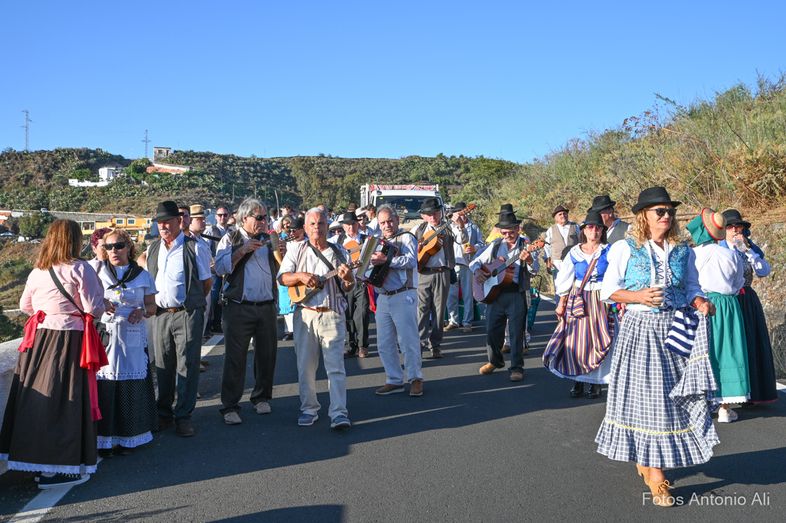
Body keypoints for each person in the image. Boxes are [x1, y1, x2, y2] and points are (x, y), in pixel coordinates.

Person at [595, 187, 718, 507]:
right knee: (648, 399)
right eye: (659, 211)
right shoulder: (626, 248)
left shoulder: (683, 251)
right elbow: (608, 291)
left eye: (669, 211)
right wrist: (637, 296)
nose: (666, 216)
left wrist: (700, 300)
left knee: (673, 399)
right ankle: (655, 473)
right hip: (641, 330)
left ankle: (650, 459)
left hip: (677, 330)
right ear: (643, 217)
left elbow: (692, 286)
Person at [1, 219, 105, 489]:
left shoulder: (38, 271)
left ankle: (36, 463)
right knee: (66, 400)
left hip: (39, 341)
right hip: (69, 340)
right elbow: (94, 308)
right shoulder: (80, 269)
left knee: (38, 402)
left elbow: (26, 305)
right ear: (74, 240)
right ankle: (62, 466)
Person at [278, 208, 355, 430]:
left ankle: (339, 413)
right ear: (305, 227)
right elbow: (282, 277)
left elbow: (349, 287)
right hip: (305, 313)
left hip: (332, 313)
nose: (316, 228)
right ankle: (308, 408)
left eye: (321, 223)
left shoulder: (340, 252)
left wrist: (349, 277)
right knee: (305, 366)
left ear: (327, 226)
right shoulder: (296, 249)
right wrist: (300, 276)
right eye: (312, 224)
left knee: (336, 367)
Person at [145, 201, 212, 437]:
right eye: (159, 222)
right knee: (163, 365)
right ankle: (164, 414)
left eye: (167, 221)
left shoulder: (194, 247)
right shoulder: (154, 249)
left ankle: (183, 416)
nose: (162, 226)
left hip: (186, 313)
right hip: (161, 315)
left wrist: (191, 304)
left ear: (178, 221)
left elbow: (206, 283)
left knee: (188, 364)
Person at [215, 198, 281, 425]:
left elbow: (282, 268)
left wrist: (279, 251)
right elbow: (220, 268)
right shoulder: (230, 238)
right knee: (235, 358)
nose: (264, 222)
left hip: (266, 306)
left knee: (267, 355)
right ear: (245, 218)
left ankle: (261, 397)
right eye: (259, 218)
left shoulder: (269, 238)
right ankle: (230, 405)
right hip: (238, 307)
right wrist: (242, 250)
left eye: (266, 218)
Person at [94, 228, 158, 455]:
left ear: (129, 247)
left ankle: (130, 437)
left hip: (132, 336)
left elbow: (152, 306)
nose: (113, 251)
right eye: (108, 247)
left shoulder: (142, 275)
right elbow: (86, 299)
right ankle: (105, 440)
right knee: (105, 386)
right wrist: (102, 302)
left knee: (130, 386)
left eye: (118, 246)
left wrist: (141, 311)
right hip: (106, 336)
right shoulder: (98, 271)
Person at [543, 211, 613, 399]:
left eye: (598, 228)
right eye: (590, 227)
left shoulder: (609, 251)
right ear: (584, 230)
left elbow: (617, 276)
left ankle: (596, 383)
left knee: (598, 340)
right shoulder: (574, 252)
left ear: (602, 231)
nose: (594, 231)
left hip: (601, 300)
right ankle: (578, 380)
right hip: (579, 300)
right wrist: (561, 305)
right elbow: (565, 280)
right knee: (577, 342)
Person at [688, 209, 748, 423]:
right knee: (728, 350)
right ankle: (725, 407)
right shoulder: (731, 254)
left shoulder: (693, 254)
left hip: (700, 303)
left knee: (701, 351)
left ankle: (700, 402)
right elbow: (739, 281)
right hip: (727, 305)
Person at [470, 207, 537, 382]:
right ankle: (494, 361)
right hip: (494, 294)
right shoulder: (495, 245)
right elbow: (475, 262)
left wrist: (529, 260)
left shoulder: (526, 245)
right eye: (504, 232)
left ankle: (516, 367)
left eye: (511, 231)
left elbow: (535, 270)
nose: (508, 235)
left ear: (518, 228)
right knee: (492, 330)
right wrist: (477, 271)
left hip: (516, 292)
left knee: (516, 332)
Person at [719, 209, 777, 405]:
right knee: (732, 345)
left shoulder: (749, 248)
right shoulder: (717, 248)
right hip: (727, 300)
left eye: (739, 227)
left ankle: (753, 392)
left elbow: (763, 271)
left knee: (751, 341)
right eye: (731, 226)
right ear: (724, 229)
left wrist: (749, 252)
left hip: (747, 298)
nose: (736, 230)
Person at [369, 205, 424, 396]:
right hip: (383, 296)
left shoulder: (407, 237)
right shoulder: (377, 242)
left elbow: (411, 261)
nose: (387, 225)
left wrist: (387, 261)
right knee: (384, 343)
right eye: (383, 222)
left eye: (390, 221)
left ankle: (416, 378)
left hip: (404, 293)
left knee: (408, 340)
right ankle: (393, 379)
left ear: (397, 220)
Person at [413, 197, 456, 359]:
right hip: (423, 272)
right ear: (424, 216)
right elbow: (410, 249)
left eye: (436, 213)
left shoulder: (448, 228)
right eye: (429, 214)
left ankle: (435, 345)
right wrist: (418, 247)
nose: (433, 216)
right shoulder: (418, 230)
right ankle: (419, 344)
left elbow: (461, 239)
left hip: (442, 272)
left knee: (439, 311)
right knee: (422, 310)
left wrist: (457, 224)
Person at [330, 212, 371, 358]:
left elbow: (373, 258)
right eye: (347, 225)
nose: (350, 227)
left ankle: (362, 346)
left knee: (362, 313)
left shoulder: (367, 239)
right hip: (344, 282)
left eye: (353, 224)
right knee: (347, 315)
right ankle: (351, 345)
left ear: (358, 224)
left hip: (361, 282)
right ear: (343, 226)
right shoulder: (336, 241)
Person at [445, 202, 484, 333]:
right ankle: (453, 320)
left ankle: (467, 322)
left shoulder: (473, 227)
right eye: (459, 212)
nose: (461, 214)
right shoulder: (449, 226)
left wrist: (475, 248)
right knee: (451, 294)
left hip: (468, 263)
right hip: (452, 262)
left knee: (468, 294)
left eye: (463, 212)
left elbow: (481, 244)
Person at [204, 205, 233, 333]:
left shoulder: (232, 232)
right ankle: (209, 325)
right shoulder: (211, 230)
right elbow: (206, 249)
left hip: (228, 270)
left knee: (224, 297)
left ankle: (218, 324)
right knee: (213, 297)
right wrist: (212, 263)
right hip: (214, 271)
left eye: (225, 215)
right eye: (220, 215)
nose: (222, 217)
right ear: (216, 217)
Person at [542, 205, 580, 285]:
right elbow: (547, 246)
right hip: (557, 262)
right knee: (559, 285)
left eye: (564, 213)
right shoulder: (551, 230)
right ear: (555, 218)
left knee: (574, 284)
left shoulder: (575, 226)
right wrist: (548, 260)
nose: (563, 215)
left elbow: (581, 241)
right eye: (560, 214)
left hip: (574, 260)